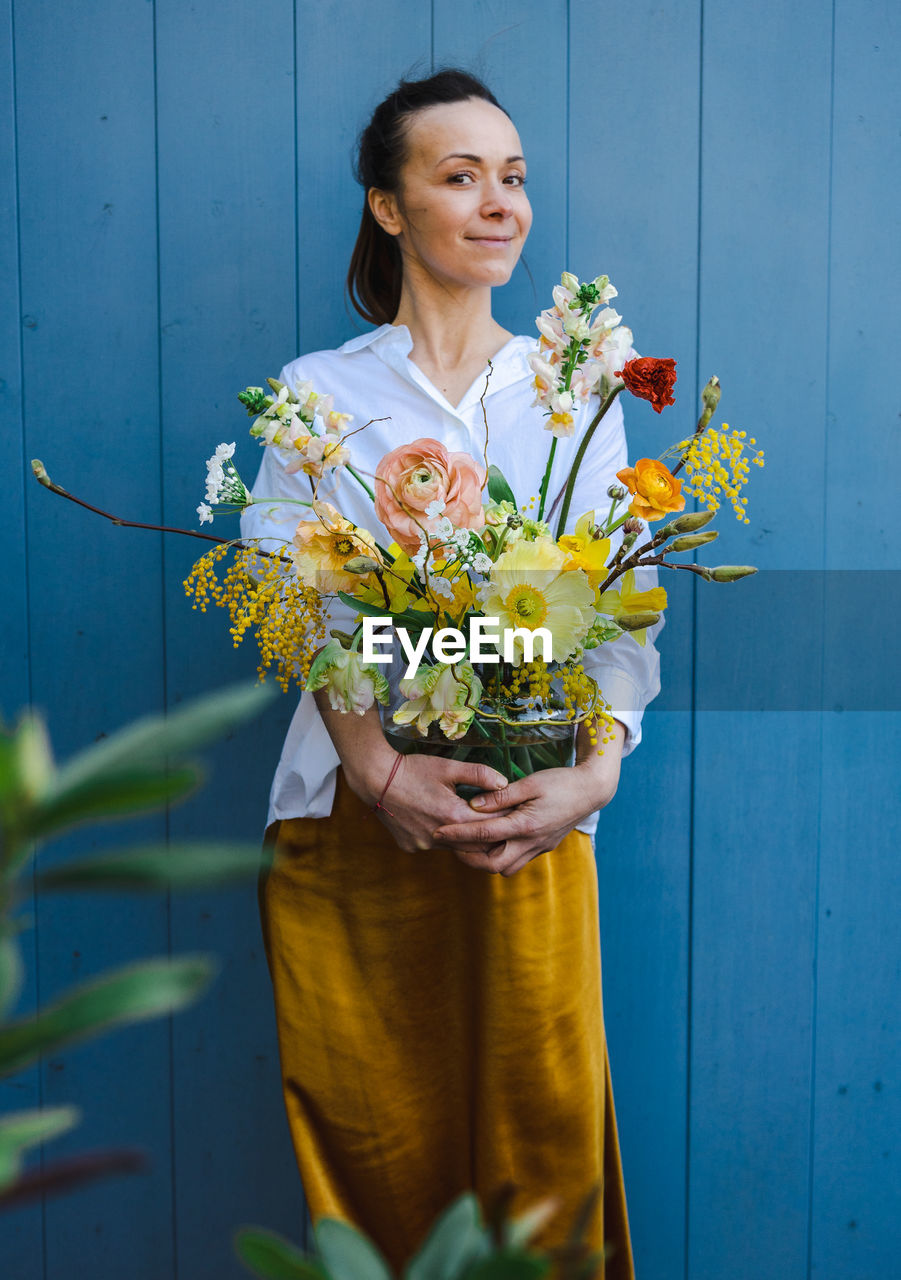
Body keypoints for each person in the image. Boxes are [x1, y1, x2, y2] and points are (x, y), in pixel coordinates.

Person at [241, 68, 662, 1279]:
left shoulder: (572, 386)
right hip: (351, 830)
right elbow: (292, 602)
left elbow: (623, 598)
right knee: (378, 1158)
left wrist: (595, 774)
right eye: (460, 175)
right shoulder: (321, 396)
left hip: (529, 820)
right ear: (388, 205)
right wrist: (376, 771)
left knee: (541, 1163)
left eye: (513, 177)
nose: (499, 203)